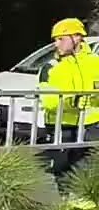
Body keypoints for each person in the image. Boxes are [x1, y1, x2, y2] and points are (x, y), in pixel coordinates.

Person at [38, 18, 99, 176]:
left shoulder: (95, 63)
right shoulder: (50, 68)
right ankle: (69, 200)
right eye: (55, 40)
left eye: (60, 39)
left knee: (89, 175)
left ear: (77, 37)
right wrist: (73, 101)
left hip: (92, 126)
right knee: (63, 174)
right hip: (61, 127)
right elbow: (49, 101)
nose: (56, 44)